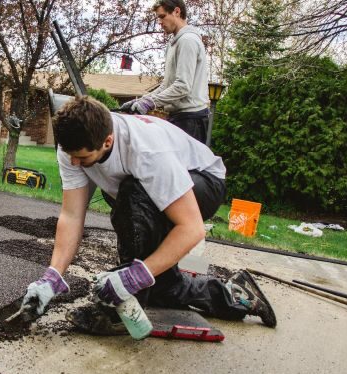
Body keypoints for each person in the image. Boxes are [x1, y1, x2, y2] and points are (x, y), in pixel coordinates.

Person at [22, 96, 276, 334]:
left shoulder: (145, 151)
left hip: (203, 183)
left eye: (82, 157)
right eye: (70, 156)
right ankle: (236, 294)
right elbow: (72, 215)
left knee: (132, 195)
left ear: (107, 141)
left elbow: (192, 228)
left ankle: (120, 309)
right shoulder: (74, 145)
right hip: (146, 191)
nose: (74, 163)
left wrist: (133, 277)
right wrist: (52, 277)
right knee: (159, 284)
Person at [121, 0, 211, 144]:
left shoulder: (188, 41)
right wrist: (141, 100)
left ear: (176, 12)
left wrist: (150, 102)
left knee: (186, 167)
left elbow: (183, 86)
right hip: (179, 117)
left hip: (192, 120)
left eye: (162, 17)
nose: (160, 22)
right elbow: (167, 85)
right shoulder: (173, 44)